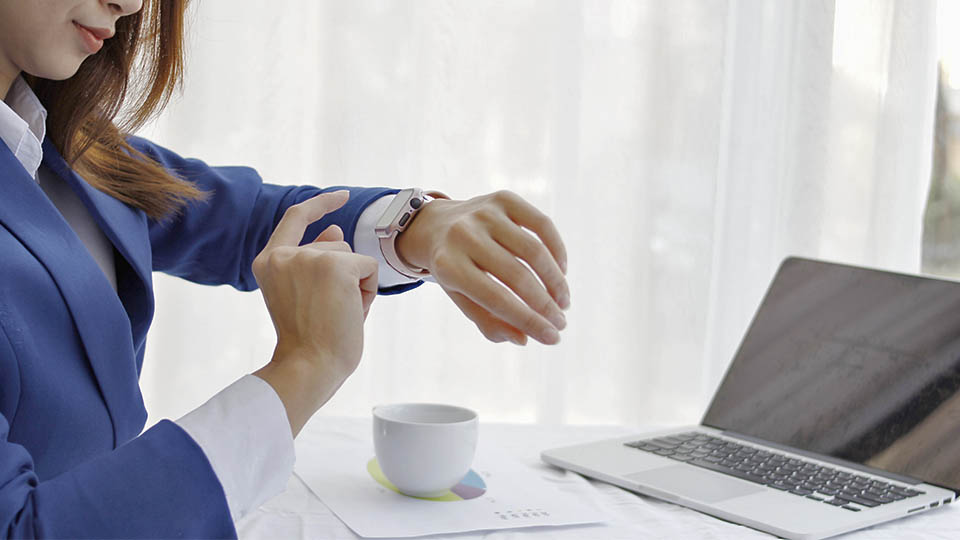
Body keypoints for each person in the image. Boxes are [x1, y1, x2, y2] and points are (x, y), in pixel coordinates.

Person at [0, 0, 570, 537]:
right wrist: (302, 370)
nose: (129, 4)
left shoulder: (55, 142)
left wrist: (420, 225)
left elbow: (243, 218)